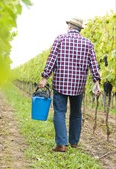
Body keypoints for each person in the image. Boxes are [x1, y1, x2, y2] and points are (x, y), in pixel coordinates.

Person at [39, 17, 101, 152]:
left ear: (70, 27)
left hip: (61, 83)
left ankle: (61, 144)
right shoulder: (88, 43)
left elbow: (52, 60)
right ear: (79, 29)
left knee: (60, 112)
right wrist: (96, 82)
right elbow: (94, 65)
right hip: (78, 85)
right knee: (76, 113)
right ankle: (74, 143)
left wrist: (44, 77)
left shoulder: (60, 39)